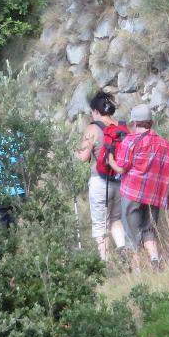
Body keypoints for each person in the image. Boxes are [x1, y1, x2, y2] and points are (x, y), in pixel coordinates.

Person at [111, 103, 169, 271]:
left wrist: (110, 160)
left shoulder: (129, 141)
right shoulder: (165, 144)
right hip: (154, 196)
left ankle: (137, 271)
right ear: (151, 123)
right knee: (149, 229)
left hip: (132, 193)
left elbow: (122, 166)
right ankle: (154, 259)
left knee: (131, 232)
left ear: (135, 123)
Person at [74, 90, 127, 262]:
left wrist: (74, 150)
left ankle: (103, 264)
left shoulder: (92, 128)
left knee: (100, 225)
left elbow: (83, 157)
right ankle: (122, 250)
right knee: (115, 219)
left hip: (100, 181)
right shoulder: (122, 127)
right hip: (120, 181)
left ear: (96, 111)